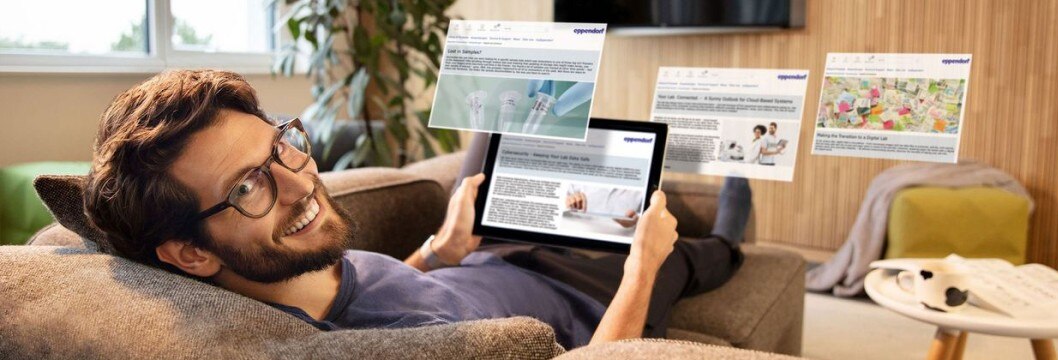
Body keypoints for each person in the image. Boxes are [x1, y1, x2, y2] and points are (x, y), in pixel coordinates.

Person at [83, 70, 749, 350]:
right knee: (694, 255)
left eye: (281, 147)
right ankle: (731, 221)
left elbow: (382, 293)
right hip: (587, 297)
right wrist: (642, 266)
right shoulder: (381, 348)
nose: (300, 184)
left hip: (483, 256)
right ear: (190, 253)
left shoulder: (297, 271)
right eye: (249, 188)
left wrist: (441, 249)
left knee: (507, 105)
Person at [564, 184, 644, 228]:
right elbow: (556, 201)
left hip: (619, 244)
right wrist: (568, 202)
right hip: (577, 234)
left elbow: (647, 216)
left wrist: (637, 223)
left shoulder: (643, 188)